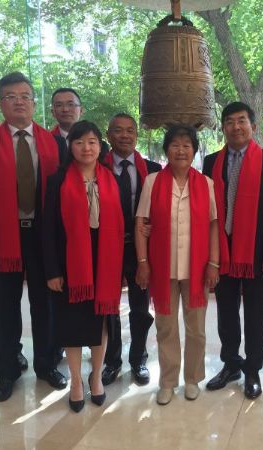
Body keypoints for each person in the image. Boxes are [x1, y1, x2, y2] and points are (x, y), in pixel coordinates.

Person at [0, 72, 68, 402]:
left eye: (25, 96)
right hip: (4, 238)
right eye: (11, 97)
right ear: (0, 104)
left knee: (45, 305)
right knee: (6, 308)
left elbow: (63, 194)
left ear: (34, 103)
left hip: (43, 238)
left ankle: (46, 365)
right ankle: (8, 371)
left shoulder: (54, 144)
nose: (19, 102)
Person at [203, 102, 263, 399]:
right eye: (229, 121)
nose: (236, 127)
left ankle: (252, 369)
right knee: (225, 312)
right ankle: (231, 364)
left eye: (242, 120)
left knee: (255, 314)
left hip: (257, 251)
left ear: (253, 125)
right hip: (222, 250)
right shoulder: (211, 162)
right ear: (223, 127)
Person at [135, 125, 219, 405]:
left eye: (186, 145)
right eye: (175, 145)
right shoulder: (152, 182)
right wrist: (143, 262)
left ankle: (192, 379)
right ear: (166, 150)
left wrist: (214, 263)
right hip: (163, 269)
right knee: (166, 328)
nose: (181, 150)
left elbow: (213, 226)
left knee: (196, 330)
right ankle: (168, 382)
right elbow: (141, 223)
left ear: (194, 151)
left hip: (197, 269)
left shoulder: (206, 183)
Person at [43, 120, 124, 412]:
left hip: (105, 262)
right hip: (71, 264)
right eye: (79, 142)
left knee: (100, 321)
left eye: (92, 142)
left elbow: (122, 226)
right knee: (72, 323)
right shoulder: (58, 180)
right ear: (71, 146)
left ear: (100, 146)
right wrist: (52, 270)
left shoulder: (112, 178)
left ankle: (96, 376)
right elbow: (48, 229)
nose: (86, 148)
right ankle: (76, 381)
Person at [101, 113, 161, 386]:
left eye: (130, 130)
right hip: (107, 248)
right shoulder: (97, 167)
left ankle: (138, 358)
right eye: (118, 130)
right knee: (108, 306)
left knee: (140, 307)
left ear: (136, 135)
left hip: (140, 249)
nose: (124, 135)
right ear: (108, 135)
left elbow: (160, 209)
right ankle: (112, 361)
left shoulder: (152, 169)